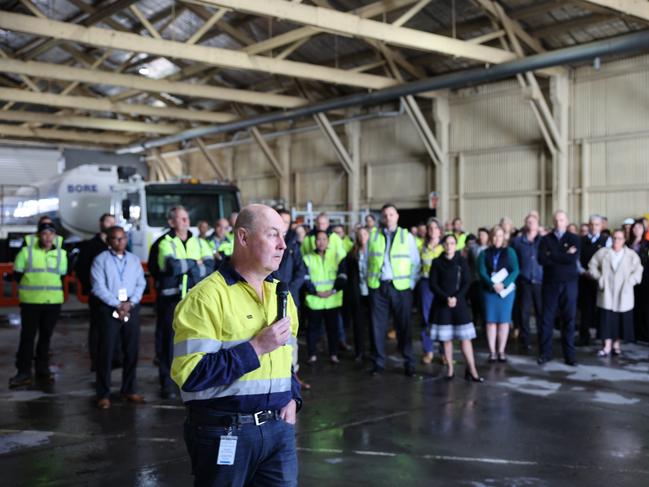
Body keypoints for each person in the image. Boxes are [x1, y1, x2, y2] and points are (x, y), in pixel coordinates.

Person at [172, 204, 301, 487]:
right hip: (224, 432)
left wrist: (294, 396)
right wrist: (255, 348)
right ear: (242, 237)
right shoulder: (205, 298)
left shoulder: (281, 295)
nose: (283, 245)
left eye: (283, 236)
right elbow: (191, 375)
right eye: (272, 235)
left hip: (279, 430)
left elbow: (285, 358)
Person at [156, 206, 213, 399]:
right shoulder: (165, 242)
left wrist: (187, 265)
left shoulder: (200, 242)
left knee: (196, 342)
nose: (186, 222)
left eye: (187, 218)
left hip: (195, 301)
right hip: (171, 301)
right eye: (181, 219)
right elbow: (171, 267)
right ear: (171, 222)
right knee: (168, 344)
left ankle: (192, 381)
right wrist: (194, 263)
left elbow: (210, 267)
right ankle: (167, 384)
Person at [91, 226, 147, 409]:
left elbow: (141, 283)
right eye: (115, 239)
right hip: (109, 310)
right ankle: (103, 393)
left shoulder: (133, 260)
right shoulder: (100, 260)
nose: (119, 242)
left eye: (122, 238)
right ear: (108, 241)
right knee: (105, 353)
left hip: (131, 308)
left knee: (131, 351)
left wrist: (130, 303)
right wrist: (117, 303)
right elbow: (98, 286)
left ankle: (129, 389)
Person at [9, 221, 68, 388]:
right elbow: (17, 275)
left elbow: (62, 276)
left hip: (52, 302)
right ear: (38, 236)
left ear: (55, 236)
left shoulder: (61, 254)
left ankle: (43, 369)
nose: (48, 237)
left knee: (45, 338)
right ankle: (23, 372)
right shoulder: (26, 252)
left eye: (51, 234)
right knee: (27, 338)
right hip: (31, 302)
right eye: (44, 234)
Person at [367, 204, 421, 377]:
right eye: (385, 215)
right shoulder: (373, 236)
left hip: (401, 288)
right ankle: (378, 363)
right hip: (378, 286)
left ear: (397, 216)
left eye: (391, 214)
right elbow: (365, 261)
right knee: (377, 327)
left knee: (404, 326)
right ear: (382, 218)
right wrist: (368, 283)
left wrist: (411, 283)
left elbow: (416, 263)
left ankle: (409, 362)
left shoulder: (407, 237)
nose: (388, 217)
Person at [429, 234, 483, 382]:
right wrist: (446, 298)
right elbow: (433, 284)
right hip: (442, 304)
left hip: (459, 304)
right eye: (446, 243)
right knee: (446, 339)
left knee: (465, 339)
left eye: (452, 243)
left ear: (455, 245)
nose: (449, 246)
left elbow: (467, 282)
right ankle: (450, 370)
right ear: (443, 245)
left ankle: (472, 370)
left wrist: (456, 298)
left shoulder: (462, 261)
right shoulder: (436, 262)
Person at [588, 229, 643, 357]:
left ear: (624, 240)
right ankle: (606, 346)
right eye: (614, 238)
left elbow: (638, 270)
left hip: (623, 293)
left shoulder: (631, 255)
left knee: (619, 320)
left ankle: (616, 345)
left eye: (619, 238)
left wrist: (630, 282)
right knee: (606, 319)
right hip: (606, 292)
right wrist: (599, 278)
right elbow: (592, 265)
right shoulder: (603, 253)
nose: (616, 241)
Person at [538, 210, 581, 366]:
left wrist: (553, 255)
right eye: (556, 220)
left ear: (566, 221)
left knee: (569, 319)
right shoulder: (545, 239)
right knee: (546, 319)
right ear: (553, 222)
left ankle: (569, 355)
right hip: (550, 284)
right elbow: (541, 259)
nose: (558, 223)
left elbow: (572, 259)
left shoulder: (574, 238)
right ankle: (545, 353)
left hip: (569, 284)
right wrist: (563, 254)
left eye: (561, 220)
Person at [75, 213, 116, 372]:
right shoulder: (91, 245)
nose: (111, 224)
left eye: (113, 221)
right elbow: (82, 268)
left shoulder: (118, 245)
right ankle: (96, 361)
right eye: (107, 221)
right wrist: (91, 287)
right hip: (98, 296)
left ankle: (113, 359)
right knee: (98, 329)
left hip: (116, 296)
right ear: (100, 223)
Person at [303, 231, 346, 364]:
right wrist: (316, 292)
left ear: (328, 241)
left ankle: (333, 354)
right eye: (318, 239)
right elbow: (305, 279)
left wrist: (332, 291)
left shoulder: (336, 257)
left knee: (332, 329)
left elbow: (343, 277)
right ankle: (312, 355)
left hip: (332, 301)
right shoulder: (307, 258)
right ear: (315, 242)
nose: (321, 242)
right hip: (314, 301)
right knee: (312, 330)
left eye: (324, 239)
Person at [478, 226, 520, 363]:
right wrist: (492, 284)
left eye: (500, 236)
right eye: (495, 236)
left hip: (506, 292)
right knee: (490, 322)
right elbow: (482, 271)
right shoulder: (484, 253)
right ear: (491, 237)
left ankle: (501, 351)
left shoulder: (510, 252)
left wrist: (504, 284)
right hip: (489, 291)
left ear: (504, 238)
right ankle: (492, 352)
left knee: (504, 322)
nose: (497, 238)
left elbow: (515, 270)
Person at [511, 214, 543, 353]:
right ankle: (526, 342)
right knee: (524, 312)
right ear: (525, 224)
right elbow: (513, 261)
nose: (530, 224)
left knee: (541, 312)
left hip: (540, 282)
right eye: (528, 222)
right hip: (524, 282)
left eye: (533, 222)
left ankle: (543, 339)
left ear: (537, 224)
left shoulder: (543, 241)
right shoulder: (517, 242)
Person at [578, 215, 610, 346]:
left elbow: (609, 260)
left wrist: (598, 275)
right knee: (584, 309)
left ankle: (601, 336)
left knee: (601, 308)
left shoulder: (606, 240)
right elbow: (576, 259)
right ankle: (584, 337)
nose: (594, 227)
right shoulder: (581, 240)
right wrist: (583, 272)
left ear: (601, 226)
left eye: (597, 224)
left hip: (600, 280)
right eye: (591, 224)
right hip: (584, 278)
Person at [341, 227, 372, 362]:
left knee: (373, 324)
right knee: (358, 325)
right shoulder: (352, 253)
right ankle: (359, 352)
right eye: (360, 235)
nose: (363, 236)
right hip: (357, 293)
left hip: (372, 292)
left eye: (365, 234)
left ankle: (374, 351)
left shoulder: (374, 252)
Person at [419, 218, 443, 364]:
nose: (433, 231)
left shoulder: (445, 247)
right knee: (426, 318)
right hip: (426, 284)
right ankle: (428, 351)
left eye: (436, 228)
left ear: (440, 230)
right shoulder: (422, 248)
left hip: (442, 286)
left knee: (442, 318)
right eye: (430, 228)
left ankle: (444, 352)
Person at [628, 220, 649, 341]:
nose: (636, 229)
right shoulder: (628, 243)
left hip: (645, 279)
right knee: (632, 306)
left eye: (639, 227)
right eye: (634, 227)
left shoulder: (647, 244)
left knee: (644, 306)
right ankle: (633, 332)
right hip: (630, 280)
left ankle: (645, 333)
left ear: (643, 230)